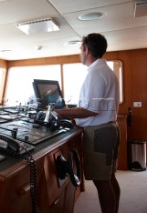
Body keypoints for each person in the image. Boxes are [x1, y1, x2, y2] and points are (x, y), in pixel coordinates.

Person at [55, 33, 120, 213]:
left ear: (87, 50)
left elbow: (91, 109)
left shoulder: (96, 73)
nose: (80, 53)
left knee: (102, 181)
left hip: (99, 132)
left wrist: (59, 113)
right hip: (109, 129)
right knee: (109, 177)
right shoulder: (106, 71)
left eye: (80, 49)